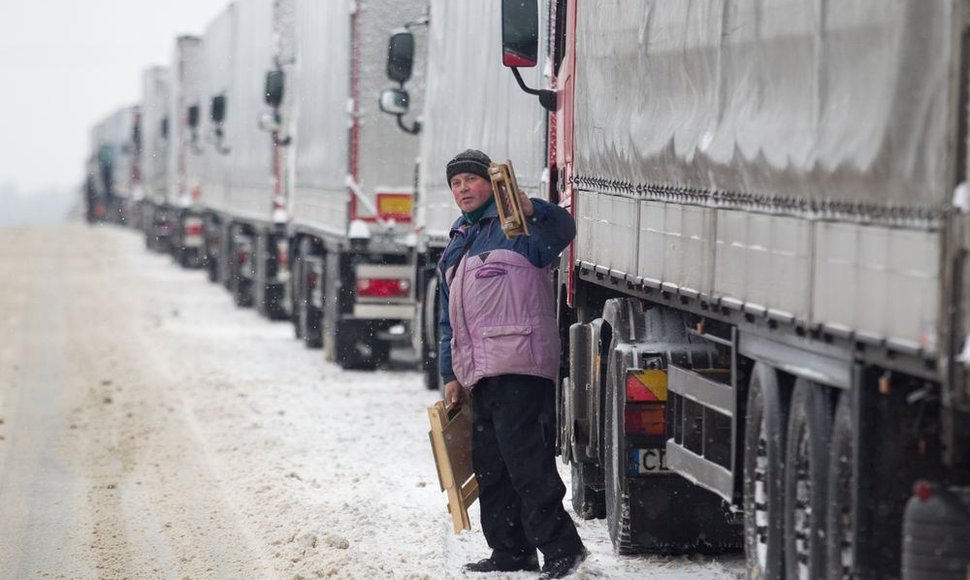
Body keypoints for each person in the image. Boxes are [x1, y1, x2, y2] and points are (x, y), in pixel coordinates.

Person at [437, 149, 587, 579]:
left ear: (491, 184)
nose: (463, 189)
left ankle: (563, 550)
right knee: (490, 465)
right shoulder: (457, 242)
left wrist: (531, 207)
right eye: (456, 183)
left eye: (470, 180)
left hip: (520, 365)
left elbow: (563, 229)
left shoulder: (518, 229)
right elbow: (448, 318)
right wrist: (449, 375)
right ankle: (510, 552)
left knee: (526, 463)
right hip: (478, 373)